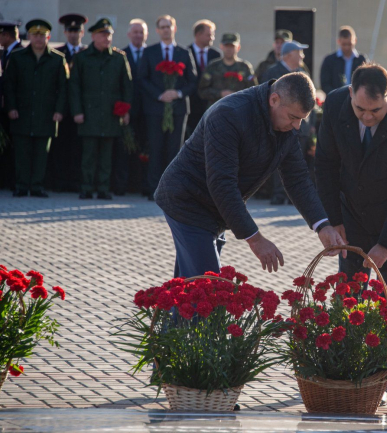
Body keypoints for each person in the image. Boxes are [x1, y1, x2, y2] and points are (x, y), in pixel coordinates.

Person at [154, 72, 345, 277]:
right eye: (293, 117)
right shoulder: (229, 114)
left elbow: (297, 179)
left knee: (190, 287)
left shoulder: (285, 126)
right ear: (274, 99)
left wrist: (322, 226)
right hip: (187, 201)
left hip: (215, 209)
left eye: (302, 120)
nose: (297, 126)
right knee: (207, 284)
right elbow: (222, 184)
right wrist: (255, 239)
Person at [315, 63, 387, 309]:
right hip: (352, 214)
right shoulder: (335, 104)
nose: (367, 117)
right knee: (348, 301)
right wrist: (334, 220)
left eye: (376, 110)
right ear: (350, 93)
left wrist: (386, 245)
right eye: (360, 109)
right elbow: (326, 166)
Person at [69, 18, 133, 200]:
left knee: (106, 155)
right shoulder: (81, 58)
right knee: (88, 154)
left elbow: (127, 86)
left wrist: (125, 110)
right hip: (89, 114)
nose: (107, 38)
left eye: (109, 35)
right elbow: (74, 87)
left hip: (111, 114)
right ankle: (87, 188)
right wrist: (77, 111)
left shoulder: (119, 58)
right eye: (103, 35)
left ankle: (104, 188)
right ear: (93, 36)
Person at [3, 19, 67, 198]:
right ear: (29, 37)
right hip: (22, 113)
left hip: (46, 114)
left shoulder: (57, 59)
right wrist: (11, 107)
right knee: (22, 152)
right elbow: (9, 85)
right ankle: (21, 185)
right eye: (35, 35)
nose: (38, 39)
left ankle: (37, 186)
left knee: (41, 153)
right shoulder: (17, 57)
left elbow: (63, 88)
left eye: (42, 35)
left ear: (48, 37)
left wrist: (59, 110)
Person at [139, 15, 197, 200]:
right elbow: (142, 78)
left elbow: (193, 81)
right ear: (157, 30)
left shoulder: (184, 52)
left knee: (175, 150)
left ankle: (173, 190)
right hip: (155, 108)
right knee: (155, 149)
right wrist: (159, 94)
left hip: (178, 109)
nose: (166, 30)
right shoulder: (149, 52)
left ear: (174, 28)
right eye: (162, 27)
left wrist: (177, 93)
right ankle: (154, 189)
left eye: (169, 26)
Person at [262, 41, 312, 205]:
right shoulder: (273, 72)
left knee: (298, 161)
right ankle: (279, 194)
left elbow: (310, 101)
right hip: (281, 125)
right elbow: (266, 99)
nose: (302, 56)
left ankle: (294, 196)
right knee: (279, 159)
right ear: (289, 55)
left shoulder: (303, 72)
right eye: (299, 52)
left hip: (300, 126)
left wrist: (310, 124)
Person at [48, 14, 88, 192]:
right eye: (70, 31)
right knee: (61, 146)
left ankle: (76, 181)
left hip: (81, 110)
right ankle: (59, 181)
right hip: (62, 110)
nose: (73, 34)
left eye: (77, 31)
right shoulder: (57, 53)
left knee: (79, 148)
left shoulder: (88, 53)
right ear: (65, 32)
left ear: (82, 32)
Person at [112, 18, 149, 196]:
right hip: (128, 111)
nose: (138, 35)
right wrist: (123, 109)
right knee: (124, 149)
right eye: (135, 32)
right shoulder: (121, 54)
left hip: (148, 112)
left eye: (141, 32)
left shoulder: (152, 53)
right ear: (128, 34)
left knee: (145, 149)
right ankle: (122, 185)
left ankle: (141, 185)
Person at [197, 33, 256, 106]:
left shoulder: (245, 67)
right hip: (216, 108)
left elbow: (253, 91)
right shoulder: (213, 66)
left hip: (238, 107)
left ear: (238, 47)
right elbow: (202, 90)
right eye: (226, 46)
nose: (229, 49)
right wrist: (220, 93)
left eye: (232, 46)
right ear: (221, 46)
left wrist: (237, 95)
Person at [186, 20, 221, 139]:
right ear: (198, 35)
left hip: (210, 103)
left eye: (213, 35)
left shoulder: (216, 55)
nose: (212, 38)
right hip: (192, 104)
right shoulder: (186, 53)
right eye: (209, 35)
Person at [0, 21, 23, 191]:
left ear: (6, 36)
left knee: (15, 147)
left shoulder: (20, 53)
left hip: (17, 109)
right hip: (5, 107)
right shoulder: (5, 53)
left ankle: (14, 180)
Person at [320, 26, 366, 95]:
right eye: (344, 44)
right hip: (336, 97)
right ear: (339, 41)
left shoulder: (361, 60)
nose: (347, 47)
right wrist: (336, 94)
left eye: (349, 44)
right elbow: (325, 83)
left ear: (355, 41)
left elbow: (366, 81)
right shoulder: (330, 60)